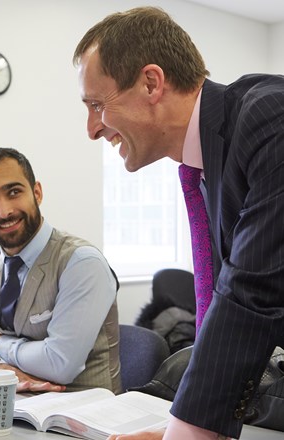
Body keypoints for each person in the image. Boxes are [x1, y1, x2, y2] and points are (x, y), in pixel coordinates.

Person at [73, 6, 284, 439]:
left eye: (97, 105)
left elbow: (251, 292)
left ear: (151, 82)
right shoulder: (205, 167)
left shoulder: (268, 118)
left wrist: (187, 431)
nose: (92, 129)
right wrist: (179, 426)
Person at [0, 147, 121, 394]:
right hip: (17, 409)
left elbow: (60, 364)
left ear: (37, 193)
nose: (4, 211)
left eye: (14, 192)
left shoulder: (81, 262)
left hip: (84, 417)